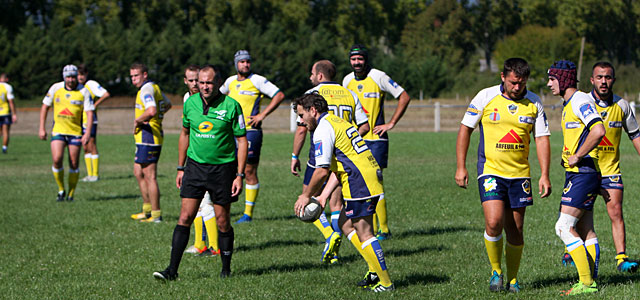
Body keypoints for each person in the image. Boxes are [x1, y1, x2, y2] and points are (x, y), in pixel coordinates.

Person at [455, 58, 551, 293]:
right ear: (503, 77)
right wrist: (461, 166)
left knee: (516, 230)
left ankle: (513, 279)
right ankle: (496, 272)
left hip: (520, 175)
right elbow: (465, 129)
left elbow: (541, 138)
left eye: (522, 83)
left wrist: (545, 174)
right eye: (513, 82)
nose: (517, 87)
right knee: (494, 221)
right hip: (490, 171)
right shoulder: (485, 97)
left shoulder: (534, 102)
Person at [153, 65, 247, 281]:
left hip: (223, 170)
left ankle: (226, 269)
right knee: (185, 216)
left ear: (219, 83)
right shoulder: (190, 104)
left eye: (209, 82)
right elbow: (184, 134)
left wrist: (239, 175)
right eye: (201, 82)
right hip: (194, 168)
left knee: (222, 221)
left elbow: (242, 141)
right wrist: (180, 168)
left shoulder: (232, 106)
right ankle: (171, 271)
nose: (204, 86)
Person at [293, 93, 393, 292]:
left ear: (313, 110)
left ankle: (386, 283)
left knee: (364, 232)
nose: (300, 120)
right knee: (344, 224)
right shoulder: (336, 121)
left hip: (360, 180)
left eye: (301, 115)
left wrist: (306, 195)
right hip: (360, 174)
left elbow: (321, 170)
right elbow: (339, 168)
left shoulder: (323, 129)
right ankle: (374, 271)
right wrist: (322, 197)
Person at [561, 62, 640, 273]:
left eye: (608, 77)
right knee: (580, 213)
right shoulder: (583, 103)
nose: (604, 82)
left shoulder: (622, 106)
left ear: (613, 79)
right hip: (586, 169)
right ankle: (573, 250)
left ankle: (621, 258)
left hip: (610, 171)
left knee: (616, 212)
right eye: (599, 77)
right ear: (592, 80)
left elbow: (635, 135)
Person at [291, 60, 369, 265]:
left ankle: (329, 236)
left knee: (309, 197)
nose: (310, 77)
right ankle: (342, 247)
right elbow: (365, 125)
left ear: (319, 76)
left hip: (319, 153)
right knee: (336, 204)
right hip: (344, 156)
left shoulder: (312, 95)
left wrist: (294, 155)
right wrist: (347, 142)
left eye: (311, 73)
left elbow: (301, 127)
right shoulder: (349, 93)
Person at [547, 60, 605, 295]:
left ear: (564, 79)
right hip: (580, 173)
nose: (549, 83)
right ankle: (591, 279)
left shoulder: (580, 100)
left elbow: (598, 130)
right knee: (585, 228)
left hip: (584, 172)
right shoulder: (569, 103)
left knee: (563, 227)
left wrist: (578, 156)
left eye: (552, 78)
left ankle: (587, 283)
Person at [342, 44, 411, 240]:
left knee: (376, 183)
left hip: (376, 140)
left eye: (360, 59)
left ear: (366, 59)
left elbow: (404, 96)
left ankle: (384, 230)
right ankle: (362, 226)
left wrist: (391, 123)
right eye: (353, 59)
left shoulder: (378, 76)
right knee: (357, 182)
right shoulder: (346, 80)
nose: (357, 63)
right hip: (355, 139)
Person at [220, 50, 285, 224]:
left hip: (250, 132)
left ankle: (248, 213)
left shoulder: (258, 80)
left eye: (248, 61)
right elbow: (217, 98)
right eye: (242, 62)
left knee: (249, 171)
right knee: (227, 170)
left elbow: (279, 95)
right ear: (236, 64)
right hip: (229, 133)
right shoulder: (230, 82)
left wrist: (262, 115)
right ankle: (225, 208)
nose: (245, 65)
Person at [38, 65, 94, 202]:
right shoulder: (55, 88)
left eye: (73, 77)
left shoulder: (84, 91)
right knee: (57, 159)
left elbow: (90, 113)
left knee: (74, 162)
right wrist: (41, 128)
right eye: (68, 77)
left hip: (75, 132)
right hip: (58, 131)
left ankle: (71, 193)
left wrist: (87, 133)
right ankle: (61, 189)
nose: (70, 80)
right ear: (64, 77)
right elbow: (45, 106)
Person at [182, 65, 220, 257]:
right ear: (185, 81)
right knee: (196, 203)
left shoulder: (214, 100)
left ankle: (215, 246)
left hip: (212, 161)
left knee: (206, 203)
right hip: (194, 161)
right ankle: (200, 243)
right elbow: (186, 132)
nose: (195, 84)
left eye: (198, 80)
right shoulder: (188, 100)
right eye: (191, 80)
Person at [129, 63, 172, 223]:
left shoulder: (147, 89)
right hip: (144, 138)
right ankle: (146, 210)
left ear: (145, 74)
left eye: (136, 76)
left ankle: (156, 215)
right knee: (138, 172)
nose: (134, 79)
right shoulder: (154, 87)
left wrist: (138, 121)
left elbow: (152, 110)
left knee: (150, 176)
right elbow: (167, 105)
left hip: (149, 138)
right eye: (132, 76)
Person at [77, 64, 110, 182]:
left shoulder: (91, 84)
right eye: (78, 75)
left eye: (82, 75)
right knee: (85, 146)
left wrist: (95, 104)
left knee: (92, 144)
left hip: (91, 120)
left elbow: (106, 94)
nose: (80, 77)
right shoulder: (76, 87)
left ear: (86, 75)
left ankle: (95, 174)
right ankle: (89, 174)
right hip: (80, 121)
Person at [0, 73, 17, 154]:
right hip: (5, 112)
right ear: (6, 79)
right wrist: (14, 114)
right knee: (6, 131)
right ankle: (4, 148)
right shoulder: (8, 87)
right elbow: (11, 101)